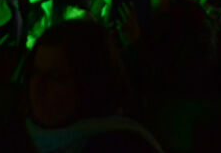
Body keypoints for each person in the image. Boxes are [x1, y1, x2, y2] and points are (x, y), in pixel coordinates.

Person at [22, 21, 162, 152]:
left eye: (55, 77)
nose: (37, 88)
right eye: (35, 73)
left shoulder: (126, 145)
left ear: (90, 85)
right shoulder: (20, 137)